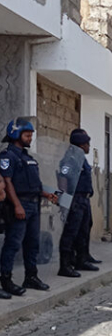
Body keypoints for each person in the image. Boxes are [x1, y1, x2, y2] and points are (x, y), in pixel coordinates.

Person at [0, 117, 58, 296]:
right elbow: (7, 183)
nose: (30, 138)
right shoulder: (7, 156)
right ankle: (6, 280)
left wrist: (46, 194)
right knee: (13, 244)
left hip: (34, 205)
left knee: (32, 243)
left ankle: (31, 277)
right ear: (15, 134)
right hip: (19, 205)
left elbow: (32, 184)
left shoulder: (28, 158)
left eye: (31, 135)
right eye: (27, 135)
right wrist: (17, 206)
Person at [58, 129, 99, 277]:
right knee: (71, 232)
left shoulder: (81, 158)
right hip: (74, 199)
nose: (89, 147)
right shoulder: (70, 159)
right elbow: (63, 177)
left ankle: (81, 259)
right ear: (81, 145)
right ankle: (65, 265)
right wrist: (64, 200)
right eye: (87, 144)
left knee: (84, 229)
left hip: (84, 199)